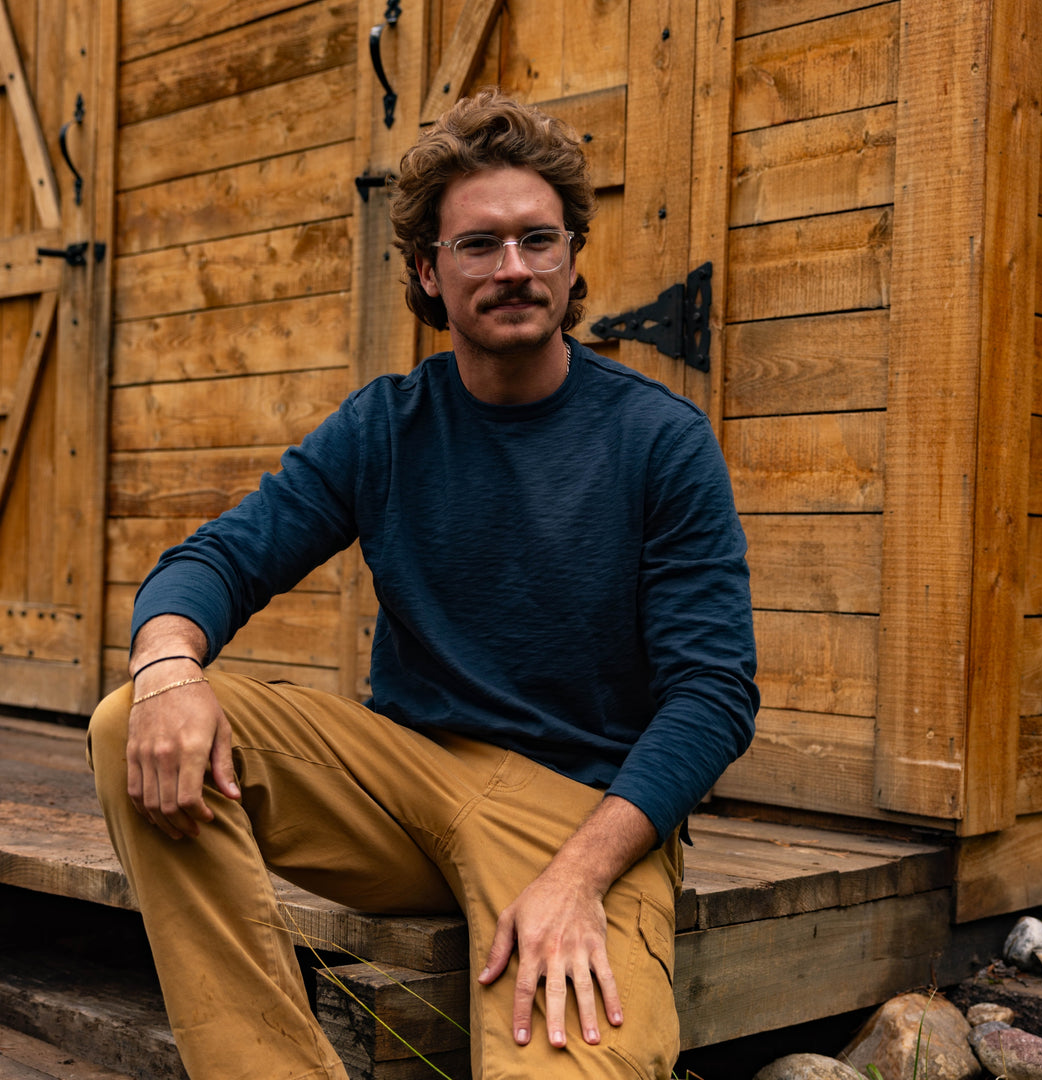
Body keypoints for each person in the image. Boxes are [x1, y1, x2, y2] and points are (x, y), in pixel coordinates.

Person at [88, 89, 758, 1080]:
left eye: (540, 239)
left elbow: (713, 697)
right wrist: (167, 665)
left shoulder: (659, 442)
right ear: (428, 273)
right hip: (402, 787)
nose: (516, 268)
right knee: (130, 723)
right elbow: (220, 559)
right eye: (480, 245)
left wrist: (579, 874)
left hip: (580, 810)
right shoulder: (386, 426)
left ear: (574, 259)